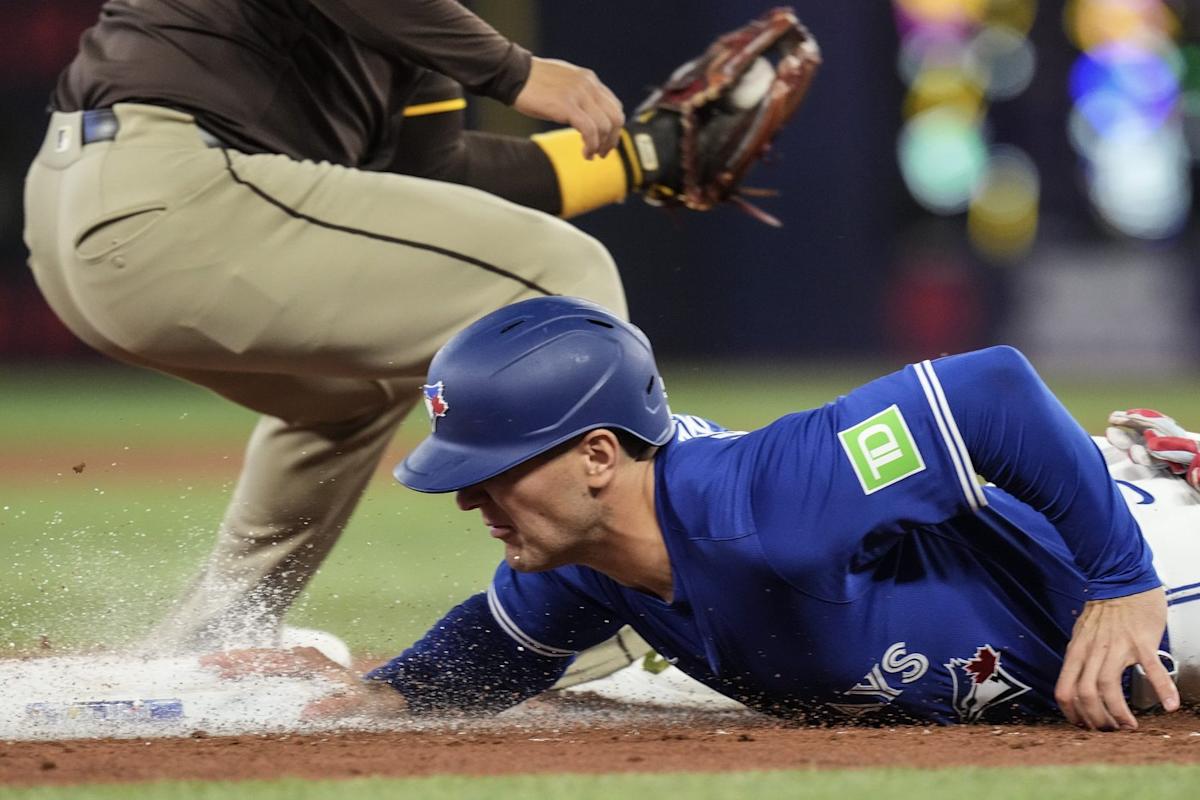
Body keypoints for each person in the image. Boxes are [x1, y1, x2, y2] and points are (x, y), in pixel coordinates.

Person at [22, 0, 697, 668]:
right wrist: (514, 71)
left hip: (101, 211)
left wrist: (634, 159)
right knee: (563, 270)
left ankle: (214, 637)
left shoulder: (415, 26)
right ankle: (596, 609)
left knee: (355, 395)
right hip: (178, 190)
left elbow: (433, 181)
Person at [208, 295, 1200, 731]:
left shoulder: (766, 501)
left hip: (1112, 573)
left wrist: (1121, 577)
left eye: (494, 467)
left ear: (601, 455)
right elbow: (493, 649)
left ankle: (1149, 475)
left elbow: (992, 392)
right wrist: (379, 693)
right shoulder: (583, 564)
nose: (469, 494)